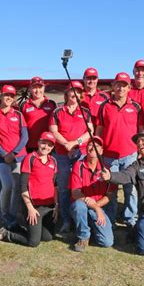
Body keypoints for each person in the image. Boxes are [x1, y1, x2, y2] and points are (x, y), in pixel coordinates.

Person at [0, 132, 58, 247]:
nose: (46, 147)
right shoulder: (30, 158)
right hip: (34, 207)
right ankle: (6, 234)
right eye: (44, 143)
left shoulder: (53, 161)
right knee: (33, 242)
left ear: (53, 147)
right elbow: (23, 185)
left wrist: (56, 205)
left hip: (48, 207)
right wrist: (30, 208)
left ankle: (17, 227)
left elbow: (54, 185)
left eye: (50, 145)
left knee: (48, 238)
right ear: (38, 142)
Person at [96, 72, 144, 230]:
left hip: (130, 155)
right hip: (109, 156)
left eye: (124, 85)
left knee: (131, 189)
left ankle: (130, 219)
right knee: (111, 190)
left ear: (129, 88)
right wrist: (97, 146)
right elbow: (100, 129)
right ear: (113, 86)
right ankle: (110, 218)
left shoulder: (136, 107)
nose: (120, 88)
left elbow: (141, 131)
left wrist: (141, 151)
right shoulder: (105, 106)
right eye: (118, 85)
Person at [49, 81, 93, 233]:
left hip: (81, 154)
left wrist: (76, 142)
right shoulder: (57, 111)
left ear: (81, 94)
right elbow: (54, 131)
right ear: (67, 93)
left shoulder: (85, 111)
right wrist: (66, 144)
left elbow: (90, 131)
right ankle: (66, 220)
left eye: (78, 91)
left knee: (81, 186)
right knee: (63, 188)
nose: (74, 94)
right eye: (71, 91)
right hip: (62, 154)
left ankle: (80, 218)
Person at [0, 84, 28, 230]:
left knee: (17, 187)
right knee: (7, 186)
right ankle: (4, 213)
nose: (9, 98)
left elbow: (25, 137)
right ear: (1, 96)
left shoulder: (19, 115)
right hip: (1, 157)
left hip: (19, 156)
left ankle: (13, 214)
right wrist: (4, 154)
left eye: (11, 95)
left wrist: (14, 153)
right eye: (6, 95)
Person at [70, 136, 114, 252]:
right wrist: (96, 207)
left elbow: (109, 195)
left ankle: (90, 227)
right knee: (79, 206)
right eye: (90, 144)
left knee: (107, 242)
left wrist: (96, 207)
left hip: (97, 206)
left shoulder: (106, 169)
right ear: (86, 148)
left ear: (101, 150)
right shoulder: (78, 165)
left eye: (97, 145)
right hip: (83, 204)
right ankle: (83, 237)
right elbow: (75, 193)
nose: (93, 147)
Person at [21, 76, 57, 152]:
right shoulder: (24, 105)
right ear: (30, 89)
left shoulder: (52, 104)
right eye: (34, 88)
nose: (37, 90)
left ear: (44, 88)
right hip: (30, 145)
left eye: (40, 87)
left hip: (48, 145)